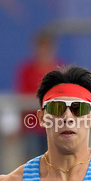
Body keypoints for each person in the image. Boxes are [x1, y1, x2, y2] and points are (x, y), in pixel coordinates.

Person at [16, 32, 61, 160]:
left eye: (47, 47)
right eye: (41, 47)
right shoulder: (27, 70)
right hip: (32, 123)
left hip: (54, 125)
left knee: (55, 162)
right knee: (32, 161)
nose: (44, 51)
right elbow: (23, 97)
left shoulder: (60, 69)